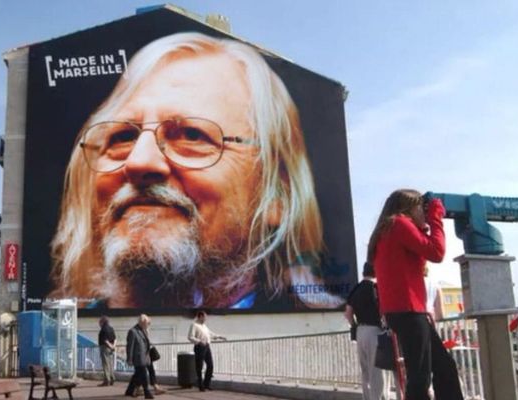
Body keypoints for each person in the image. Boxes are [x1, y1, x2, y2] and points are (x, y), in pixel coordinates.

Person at [49, 31, 342, 310]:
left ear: (277, 191)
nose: (139, 162)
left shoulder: (322, 330)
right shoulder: (65, 326)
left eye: (191, 135)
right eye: (122, 138)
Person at [368, 189, 463, 400]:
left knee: (444, 367)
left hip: (402, 310)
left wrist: (423, 227)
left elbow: (413, 257)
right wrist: (436, 217)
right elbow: (436, 252)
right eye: (422, 207)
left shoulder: (387, 229)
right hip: (409, 310)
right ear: (410, 207)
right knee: (420, 376)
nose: (424, 211)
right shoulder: (399, 223)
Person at [344, 262, 391, 400]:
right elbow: (384, 311)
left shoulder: (356, 289)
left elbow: (348, 313)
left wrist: (354, 325)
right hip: (376, 332)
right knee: (378, 370)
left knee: (365, 372)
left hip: (360, 332)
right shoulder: (377, 288)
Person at [187, 310, 226, 391]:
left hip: (207, 346)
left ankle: (206, 384)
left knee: (210, 365)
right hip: (199, 347)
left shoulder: (204, 326)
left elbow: (210, 334)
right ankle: (200, 386)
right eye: (205, 317)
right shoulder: (194, 325)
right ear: (200, 316)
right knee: (199, 367)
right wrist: (199, 342)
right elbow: (190, 337)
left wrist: (219, 337)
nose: (206, 319)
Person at [126, 314, 154, 399]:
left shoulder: (143, 330)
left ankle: (129, 391)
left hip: (145, 357)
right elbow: (129, 347)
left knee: (137, 375)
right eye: (147, 323)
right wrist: (129, 359)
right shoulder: (133, 331)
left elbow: (146, 343)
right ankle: (147, 392)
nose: (148, 325)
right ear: (142, 322)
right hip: (138, 358)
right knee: (143, 374)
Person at [98, 316, 116, 386]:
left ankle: (107, 380)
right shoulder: (111, 328)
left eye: (100, 322)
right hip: (111, 348)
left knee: (105, 364)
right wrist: (113, 346)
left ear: (102, 322)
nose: (99, 324)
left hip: (105, 348)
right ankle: (112, 378)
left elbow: (105, 340)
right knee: (110, 364)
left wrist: (110, 346)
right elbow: (115, 339)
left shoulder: (103, 329)